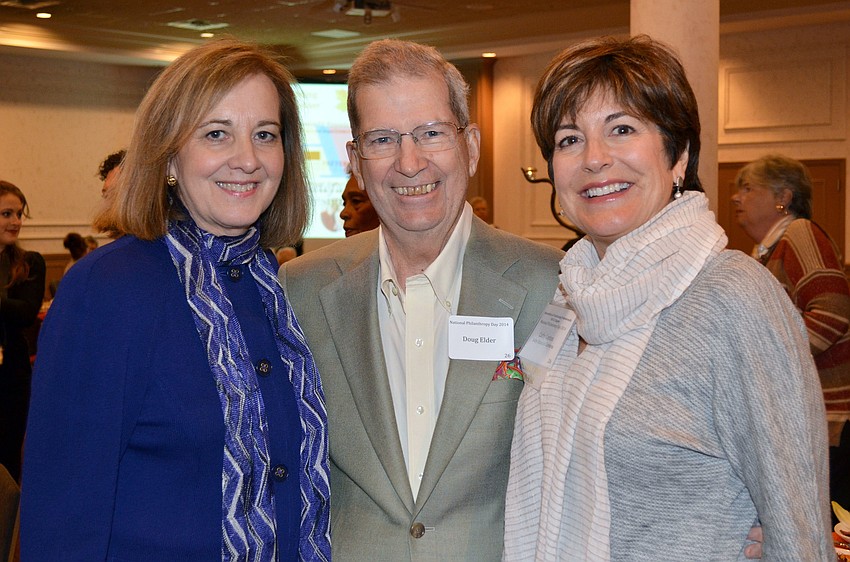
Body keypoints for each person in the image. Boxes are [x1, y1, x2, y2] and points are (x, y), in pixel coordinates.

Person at [504, 36, 832, 560]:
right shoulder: (569, 300)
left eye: (622, 129)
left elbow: (798, 526)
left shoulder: (733, 297)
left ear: (678, 155)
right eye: (569, 139)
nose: (594, 159)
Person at [22, 39, 331, 560]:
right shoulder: (109, 289)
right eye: (217, 134)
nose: (248, 160)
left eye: (265, 135)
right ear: (168, 155)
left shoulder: (271, 284)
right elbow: (63, 512)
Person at [279, 39, 562, 560]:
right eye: (382, 139)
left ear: (470, 147)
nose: (409, 163)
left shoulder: (553, 286)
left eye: (431, 134)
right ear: (356, 162)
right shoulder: (300, 290)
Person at [732, 154, 850, 444]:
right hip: (808, 415)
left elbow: (833, 313)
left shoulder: (800, 233)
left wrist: (770, 359)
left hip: (827, 415)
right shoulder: (767, 251)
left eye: (748, 188)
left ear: (783, 197)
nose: (736, 198)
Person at [0, 181, 45, 484]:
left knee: (6, 461)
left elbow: (26, 312)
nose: (16, 222)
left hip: (10, 379)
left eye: (19, 214)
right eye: (7, 213)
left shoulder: (29, 263)